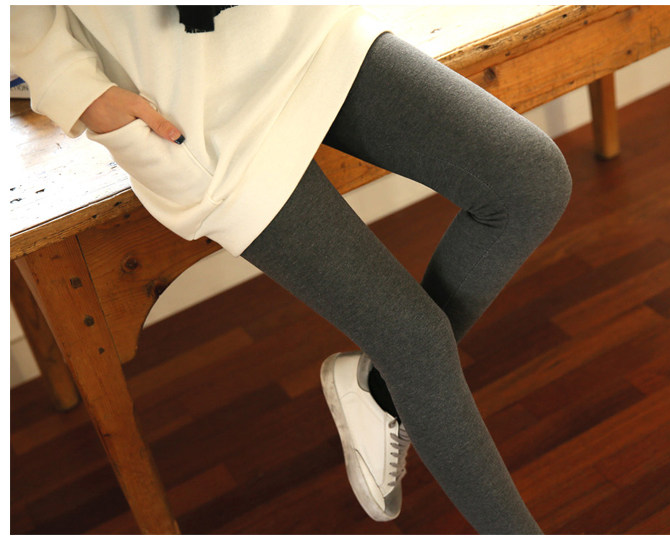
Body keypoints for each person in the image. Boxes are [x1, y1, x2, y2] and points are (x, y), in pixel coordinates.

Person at [11, 6, 571, 534]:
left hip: (300, 31)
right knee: (414, 341)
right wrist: (82, 93)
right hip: (188, 109)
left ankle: (380, 389)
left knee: (531, 181)